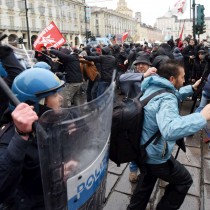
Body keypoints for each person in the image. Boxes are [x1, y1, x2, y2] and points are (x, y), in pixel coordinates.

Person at [127, 59, 210, 210]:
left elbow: (171, 94)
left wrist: (191, 88)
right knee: (184, 180)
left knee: (146, 183)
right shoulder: (167, 99)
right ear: (172, 79)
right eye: (183, 77)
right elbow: (170, 129)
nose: (184, 80)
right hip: (155, 156)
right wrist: (202, 116)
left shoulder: (153, 86)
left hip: (142, 149)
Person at [0, 68, 66, 209]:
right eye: (54, 95)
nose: (61, 98)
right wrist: (20, 138)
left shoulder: (50, 122)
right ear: (37, 103)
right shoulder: (10, 139)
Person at [119, 54, 157, 183]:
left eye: (144, 64)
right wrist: (143, 76)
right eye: (138, 64)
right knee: (133, 141)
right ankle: (133, 170)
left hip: (149, 115)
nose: (140, 66)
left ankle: (148, 167)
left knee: (148, 141)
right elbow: (121, 78)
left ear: (149, 65)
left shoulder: (155, 76)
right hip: (134, 114)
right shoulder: (131, 74)